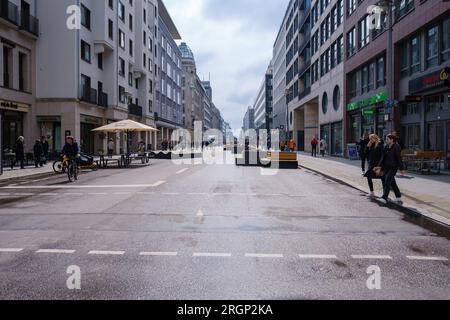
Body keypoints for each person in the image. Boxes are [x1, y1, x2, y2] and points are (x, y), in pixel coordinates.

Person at [378, 134, 406, 204]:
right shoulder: (386, 146)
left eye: (387, 139)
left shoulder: (396, 147)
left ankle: (384, 198)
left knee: (387, 181)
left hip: (393, 167)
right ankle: (398, 196)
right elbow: (383, 157)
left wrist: (401, 169)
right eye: (386, 139)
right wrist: (379, 166)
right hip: (386, 166)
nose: (386, 140)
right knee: (392, 182)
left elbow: (399, 158)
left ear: (392, 140)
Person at [364, 134, 384, 198]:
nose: (370, 140)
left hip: (378, 165)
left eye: (372, 138)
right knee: (368, 176)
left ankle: (385, 194)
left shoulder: (380, 145)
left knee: (382, 178)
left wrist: (379, 165)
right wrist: (367, 147)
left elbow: (382, 156)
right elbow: (365, 154)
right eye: (370, 139)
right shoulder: (370, 145)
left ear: (375, 138)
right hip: (371, 164)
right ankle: (371, 192)